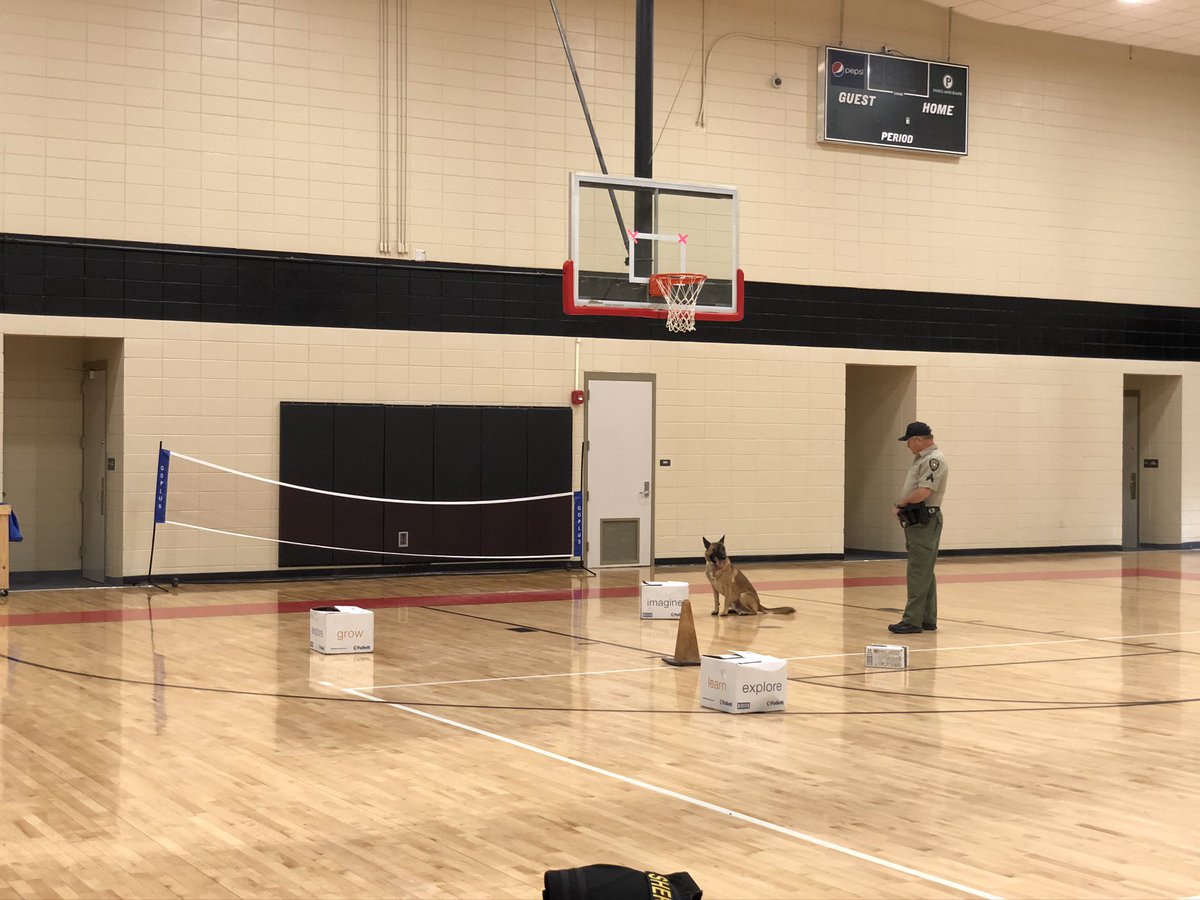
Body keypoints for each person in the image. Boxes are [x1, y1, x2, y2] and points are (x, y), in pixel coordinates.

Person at [889, 422, 948, 634]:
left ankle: (912, 620)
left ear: (919, 440)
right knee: (924, 571)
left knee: (917, 571)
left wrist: (900, 504)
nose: (907, 446)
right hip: (920, 521)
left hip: (925, 521)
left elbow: (924, 491)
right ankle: (926, 618)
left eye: (909, 441)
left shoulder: (933, 460)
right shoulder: (923, 458)